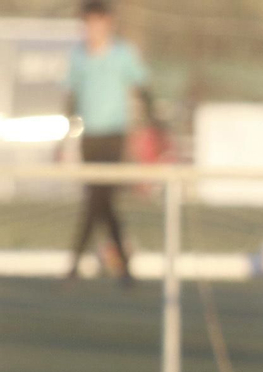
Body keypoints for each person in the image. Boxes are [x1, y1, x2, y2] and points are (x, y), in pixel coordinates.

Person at [63, 0, 154, 285]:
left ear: (108, 23)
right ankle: (124, 268)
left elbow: (143, 86)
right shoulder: (78, 56)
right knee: (101, 201)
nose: (93, 28)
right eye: (88, 22)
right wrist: (69, 131)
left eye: (98, 21)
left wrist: (151, 125)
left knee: (98, 200)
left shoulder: (123, 54)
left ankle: (75, 265)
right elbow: (71, 96)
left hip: (114, 136)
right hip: (90, 136)